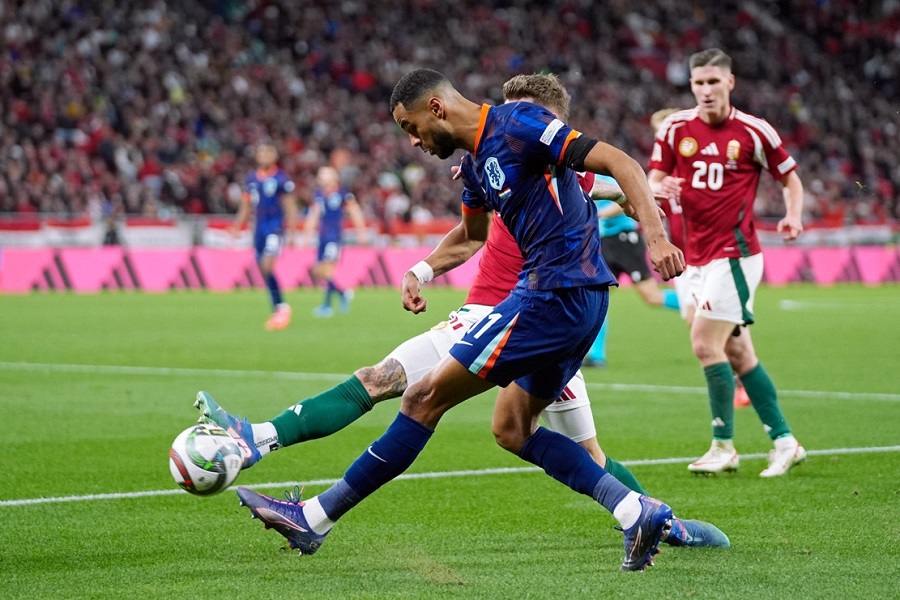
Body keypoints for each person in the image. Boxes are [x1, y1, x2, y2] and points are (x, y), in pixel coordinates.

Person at [196, 73, 728, 551]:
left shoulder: (524, 127)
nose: (412, 142)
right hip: (553, 303)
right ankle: (641, 513)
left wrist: (655, 234)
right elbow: (472, 234)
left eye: (411, 128)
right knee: (514, 429)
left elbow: (619, 167)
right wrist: (423, 271)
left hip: (547, 298)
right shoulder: (476, 166)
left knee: (420, 396)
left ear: (435, 108)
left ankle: (313, 517)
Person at [647, 49, 807, 477]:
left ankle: (723, 446)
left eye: (713, 82)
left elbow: (790, 178)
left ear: (729, 83)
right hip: (693, 258)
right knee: (738, 353)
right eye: (698, 83)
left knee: (704, 343)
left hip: (735, 254)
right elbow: (652, 179)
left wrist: (792, 214)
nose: (705, 90)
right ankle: (785, 440)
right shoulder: (675, 127)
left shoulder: (755, 131)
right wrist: (661, 188)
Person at [649, 108, 751, 408]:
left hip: (711, 255)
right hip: (683, 259)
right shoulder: (663, 173)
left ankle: (740, 380)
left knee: (703, 324)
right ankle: (737, 376)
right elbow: (647, 189)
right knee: (695, 321)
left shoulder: (701, 166)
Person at [582, 175, 680, 368]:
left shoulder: (605, 175)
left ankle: (697, 307)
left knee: (652, 297)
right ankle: (597, 356)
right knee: (597, 296)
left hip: (625, 240)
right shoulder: (581, 175)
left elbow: (627, 199)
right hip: (605, 242)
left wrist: (599, 214)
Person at [230, 142, 298, 331]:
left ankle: (282, 308)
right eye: (261, 152)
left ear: (274, 156)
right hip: (258, 229)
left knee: (267, 264)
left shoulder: (282, 179)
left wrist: (292, 231)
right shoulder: (251, 180)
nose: (264, 155)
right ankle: (278, 307)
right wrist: (237, 226)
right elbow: (246, 206)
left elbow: (290, 206)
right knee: (263, 268)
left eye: (268, 152)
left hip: (275, 228)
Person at [304, 165, 368, 317]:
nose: (321, 177)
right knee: (319, 272)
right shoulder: (318, 195)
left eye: (325, 174)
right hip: (322, 238)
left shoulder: (343, 194)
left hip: (334, 237)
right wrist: (306, 235)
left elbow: (355, 212)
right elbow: (313, 215)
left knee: (326, 270)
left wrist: (361, 232)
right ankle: (342, 293)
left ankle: (327, 305)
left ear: (334, 177)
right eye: (321, 174)